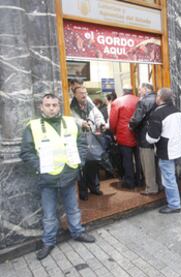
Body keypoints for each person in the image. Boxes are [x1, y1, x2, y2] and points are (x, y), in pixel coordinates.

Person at [20, 94, 96, 261]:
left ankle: (77, 232)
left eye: (54, 104)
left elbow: (81, 144)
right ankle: (48, 242)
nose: (51, 108)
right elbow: (26, 152)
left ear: (59, 106)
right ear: (41, 107)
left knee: (73, 208)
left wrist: (80, 162)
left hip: (69, 174)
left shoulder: (70, 123)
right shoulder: (32, 127)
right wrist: (39, 167)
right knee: (48, 213)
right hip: (47, 177)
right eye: (48, 105)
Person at [146, 88, 181, 213]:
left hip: (166, 150)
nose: (156, 97)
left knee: (168, 178)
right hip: (177, 148)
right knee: (172, 176)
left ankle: (174, 205)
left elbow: (152, 138)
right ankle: (175, 199)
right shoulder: (177, 110)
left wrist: (147, 134)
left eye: (157, 95)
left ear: (161, 98)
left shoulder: (157, 114)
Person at [70, 86, 106, 200]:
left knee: (93, 163)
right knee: (82, 166)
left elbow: (97, 115)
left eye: (85, 93)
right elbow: (72, 118)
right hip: (77, 139)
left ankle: (94, 187)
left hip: (91, 137)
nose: (84, 95)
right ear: (75, 94)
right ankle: (83, 191)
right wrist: (81, 123)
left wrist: (101, 124)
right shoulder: (70, 104)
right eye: (81, 93)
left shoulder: (89, 102)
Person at [129, 83, 159, 195]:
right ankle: (159, 185)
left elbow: (136, 119)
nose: (139, 92)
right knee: (156, 163)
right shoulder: (158, 98)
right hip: (158, 135)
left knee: (148, 163)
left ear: (146, 89)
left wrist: (130, 125)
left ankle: (151, 188)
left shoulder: (144, 101)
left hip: (145, 137)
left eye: (140, 89)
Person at [110, 84, 140, 188]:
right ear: (132, 91)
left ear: (123, 91)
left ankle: (130, 182)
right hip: (137, 134)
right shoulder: (139, 100)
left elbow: (113, 121)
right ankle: (140, 180)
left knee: (127, 160)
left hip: (123, 135)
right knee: (139, 159)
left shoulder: (117, 102)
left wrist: (113, 132)